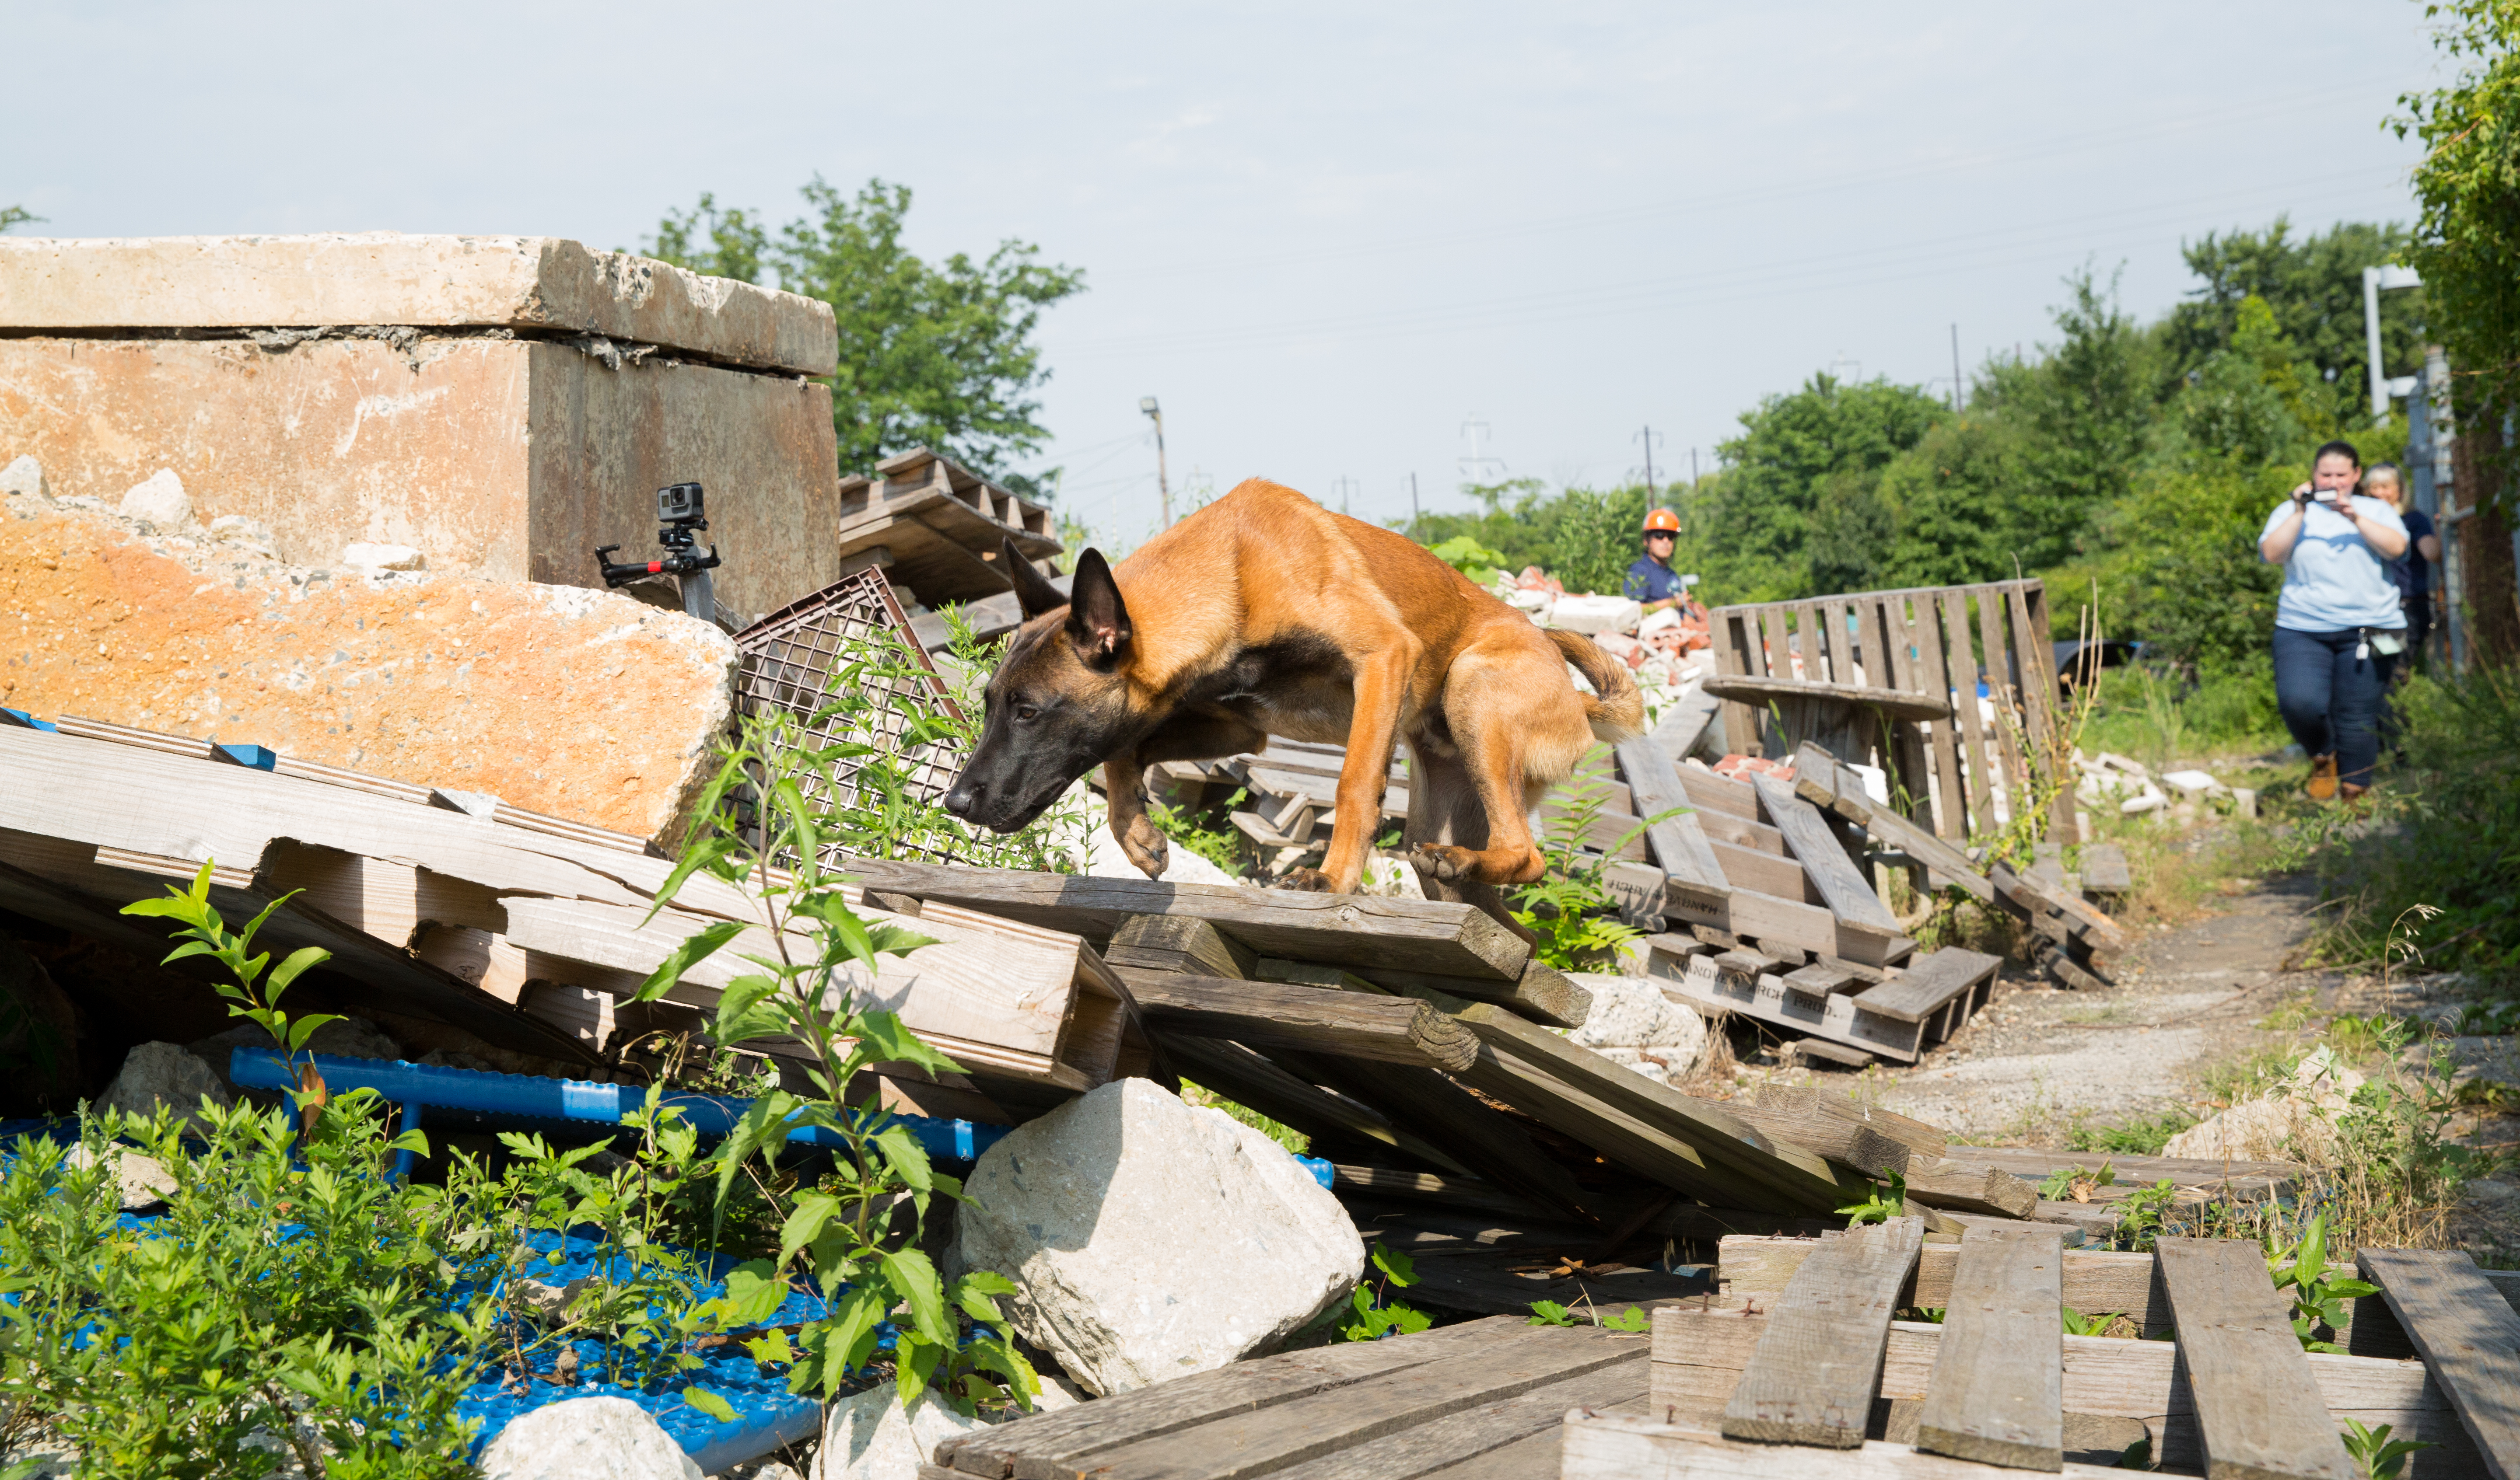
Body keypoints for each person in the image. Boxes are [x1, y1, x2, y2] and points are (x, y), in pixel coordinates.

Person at [2258, 440, 2409, 802]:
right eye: (2325, 474)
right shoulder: (2290, 512)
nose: (2333, 481)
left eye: (2342, 475)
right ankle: (2322, 755)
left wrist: (2353, 516)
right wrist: (2299, 511)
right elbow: (2272, 554)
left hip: (2378, 626)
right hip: (2302, 627)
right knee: (2299, 703)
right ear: (2313, 475)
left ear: (2356, 476)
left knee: (2359, 716)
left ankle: (2355, 798)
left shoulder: (2376, 510)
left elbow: (2397, 548)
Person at [2365, 463, 2441, 670]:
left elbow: (2432, 554)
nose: (2379, 493)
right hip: (2369, 609)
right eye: (2373, 487)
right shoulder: (2360, 523)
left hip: (2406, 609)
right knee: (2371, 676)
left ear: (2400, 490)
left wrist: (2440, 529)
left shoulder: (2413, 520)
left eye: (2385, 486)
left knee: (2393, 673)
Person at [1624, 508, 1690, 612]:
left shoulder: (1671, 574)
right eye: (1659, 535)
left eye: (1671, 536)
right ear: (1646, 540)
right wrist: (1672, 603)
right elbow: (1632, 610)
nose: (1666, 541)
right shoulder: (1639, 571)